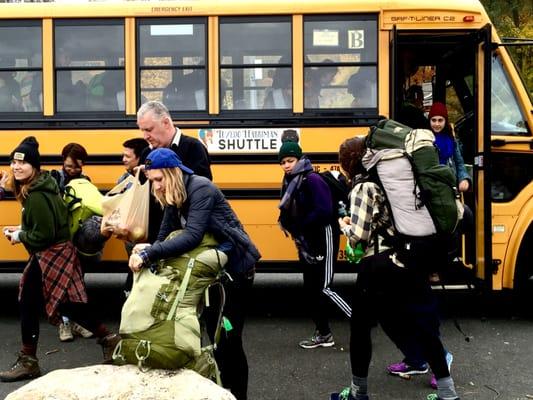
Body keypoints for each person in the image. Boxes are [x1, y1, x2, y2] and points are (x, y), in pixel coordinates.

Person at [334, 136, 460, 400]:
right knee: (423, 327)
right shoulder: (390, 183)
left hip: (377, 266)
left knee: (360, 330)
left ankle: (358, 393)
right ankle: (448, 393)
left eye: (341, 159)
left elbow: (358, 236)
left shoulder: (363, 188)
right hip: (407, 259)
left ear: (348, 162)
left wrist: (343, 223)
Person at [128, 148, 260, 400]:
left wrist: (149, 255)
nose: (156, 186)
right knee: (212, 339)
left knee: (229, 340)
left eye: (159, 179)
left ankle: (238, 395)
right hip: (211, 274)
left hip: (235, 271)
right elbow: (165, 233)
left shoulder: (201, 188)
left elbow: (192, 236)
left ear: (172, 173)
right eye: (152, 180)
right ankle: (221, 391)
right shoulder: (174, 194)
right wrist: (151, 254)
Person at [0, 137, 120, 383]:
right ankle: (109, 340)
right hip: (57, 252)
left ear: (34, 166)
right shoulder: (39, 187)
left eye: (22, 163)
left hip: (50, 254)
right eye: (13, 162)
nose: (16, 167)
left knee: (31, 303)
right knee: (64, 304)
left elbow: (43, 235)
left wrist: (19, 235)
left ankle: (29, 361)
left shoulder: (37, 195)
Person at [278, 141, 351, 349]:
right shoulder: (290, 181)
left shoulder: (312, 179)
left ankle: (359, 319)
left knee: (324, 287)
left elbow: (324, 211)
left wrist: (300, 222)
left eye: (290, 160)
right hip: (307, 241)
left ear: (300, 159)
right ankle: (324, 333)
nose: (286, 165)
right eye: (283, 162)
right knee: (311, 288)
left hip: (323, 235)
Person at [137, 100, 212, 243]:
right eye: (142, 130)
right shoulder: (146, 153)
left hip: (185, 234)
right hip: (154, 234)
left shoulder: (193, 147)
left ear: (165, 123)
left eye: (149, 129)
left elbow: (202, 190)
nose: (145, 136)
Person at [117, 137, 150, 297]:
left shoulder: (151, 181)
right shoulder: (124, 179)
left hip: (144, 238)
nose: (123, 160)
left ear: (139, 159)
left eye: (127, 156)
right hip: (130, 236)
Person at [428, 102, 471, 192]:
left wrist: (464, 179)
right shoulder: (424, 139)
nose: (436, 124)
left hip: (451, 184)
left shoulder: (452, 139)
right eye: (433, 120)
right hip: (432, 186)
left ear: (445, 120)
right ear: (429, 120)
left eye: (440, 120)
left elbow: (459, 163)